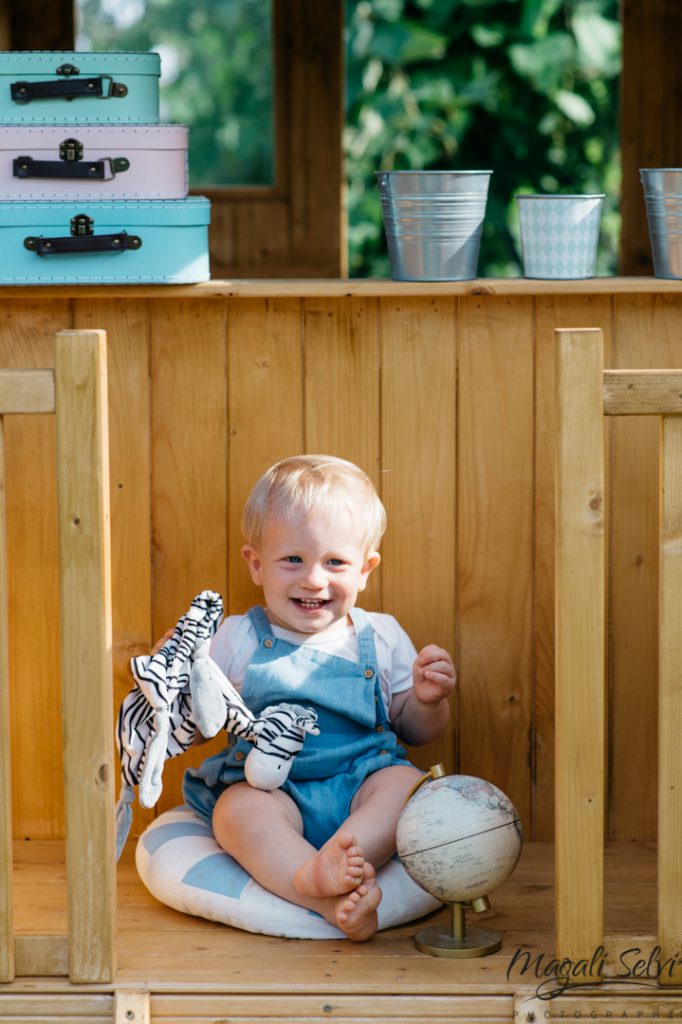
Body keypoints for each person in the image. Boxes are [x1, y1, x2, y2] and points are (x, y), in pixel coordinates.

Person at [182, 454, 456, 941]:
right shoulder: (237, 637)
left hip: (361, 789)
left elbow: (413, 730)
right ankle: (318, 889)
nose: (313, 579)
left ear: (366, 569)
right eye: (293, 560)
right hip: (272, 791)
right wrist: (177, 664)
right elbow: (194, 716)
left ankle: (343, 860)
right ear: (256, 564)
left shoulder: (382, 635)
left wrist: (428, 700)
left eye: (335, 562)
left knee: (408, 787)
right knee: (234, 812)